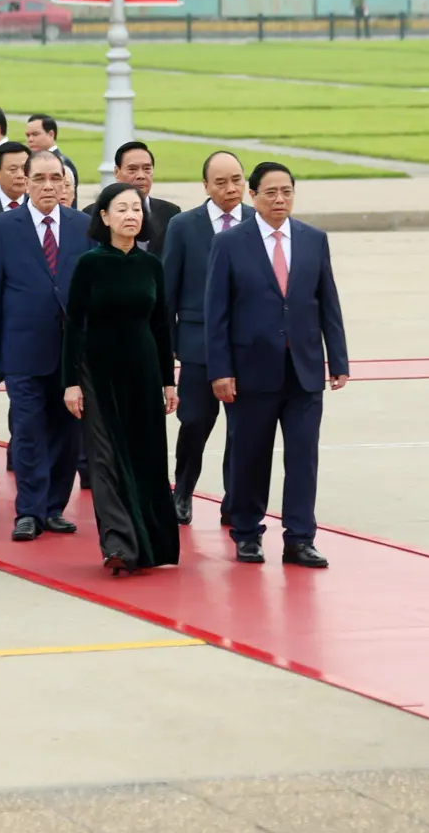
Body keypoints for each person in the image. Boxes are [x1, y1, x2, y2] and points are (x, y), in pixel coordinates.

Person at [205, 161, 347, 568]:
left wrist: (337, 359)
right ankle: (247, 532)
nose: (280, 199)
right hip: (251, 372)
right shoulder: (231, 243)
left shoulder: (313, 239)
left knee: (303, 458)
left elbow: (328, 304)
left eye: (286, 191)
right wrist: (220, 370)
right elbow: (217, 313)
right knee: (251, 456)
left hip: (303, 371)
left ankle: (300, 538)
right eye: (271, 192)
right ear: (253, 196)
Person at [64, 182, 180, 574]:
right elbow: (74, 326)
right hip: (99, 375)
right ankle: (117, 543)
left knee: (147, 457)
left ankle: (152, 543)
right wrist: (71, 381)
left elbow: (162, 327)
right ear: (104, 217)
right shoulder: (90, 264)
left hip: (144, 374)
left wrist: (168, 381)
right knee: (105, 459)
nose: (131, 215)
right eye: (122, 209)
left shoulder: (151, 265)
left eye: (136, 209)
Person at [0, 149, 89, 541]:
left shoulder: (83, 226)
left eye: (55, 178)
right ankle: (29, 510)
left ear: (65, 182)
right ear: (25, 181)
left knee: (66, 433)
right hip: (23, 349)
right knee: (27, 431)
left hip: (70, 354)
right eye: (40, 178)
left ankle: (54, 507)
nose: (48, 186)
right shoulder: (3, 227)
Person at [162, 150, 251, 525]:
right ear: (205, 186)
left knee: (245, 429)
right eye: (221, 182)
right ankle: (183, 490)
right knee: (195, 421)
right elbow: (168, 293)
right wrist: (165, 355)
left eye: (237, 180)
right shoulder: (185, 226)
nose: (231, 189)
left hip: (248, 346)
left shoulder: (258, 221)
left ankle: (236, 500)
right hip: (198, 347)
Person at [82, 141, 180, 256]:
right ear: (117, 172)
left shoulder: (171, 214)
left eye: (147, 169)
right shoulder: (90, 214)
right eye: (132, 169)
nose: (141, 176)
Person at [25, 114, 79, 184]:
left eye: (35, 134)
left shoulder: (62, 163)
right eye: (28, 136)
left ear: (51, 134)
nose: (30, 139)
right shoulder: (30, 162)